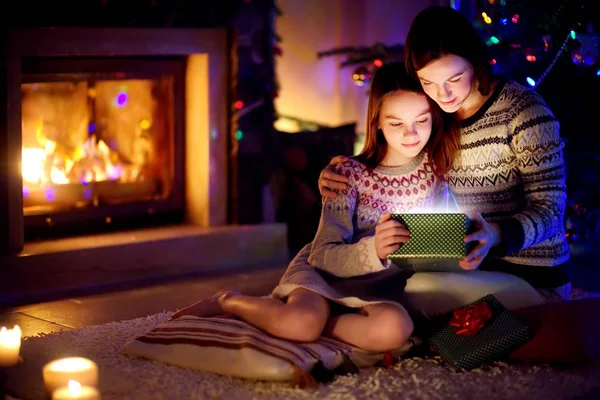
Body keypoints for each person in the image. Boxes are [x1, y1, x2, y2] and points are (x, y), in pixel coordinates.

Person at [171, 62, 460, 352]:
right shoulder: (347, 176)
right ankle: (228, 300)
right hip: (323, 277)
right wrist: (374, 249)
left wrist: (459, 242)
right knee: (301, 324)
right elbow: (322, 255)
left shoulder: (436, 175)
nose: (411, 134)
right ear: (377, 122)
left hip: (376, 291)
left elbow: (443, 241)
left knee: (395, 329)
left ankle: (308, 324)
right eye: (396, 123)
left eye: (421, 121)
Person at [317, 5, 571, 316]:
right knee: (401, 284)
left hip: (534, 278)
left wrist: (495, 234)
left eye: (455, 77)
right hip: (471, 266)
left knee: (414, 292)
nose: (444, 94)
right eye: (428, 83)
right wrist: (341, 171)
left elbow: (552, 210)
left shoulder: (524, 112)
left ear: (476, 63)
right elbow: (397, 149)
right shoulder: (439, 116)